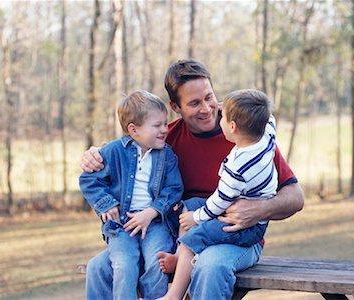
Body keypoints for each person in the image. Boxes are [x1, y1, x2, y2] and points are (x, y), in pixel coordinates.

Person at [81, 59, 304, 299]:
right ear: (175, 107)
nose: (207, 109)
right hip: (176, 236)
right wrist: (94, 155)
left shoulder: (248, 136)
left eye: (209, 97)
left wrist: (260, 209)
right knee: (99, 268)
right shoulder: (165, 140)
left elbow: (296, 197)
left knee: (210, 265)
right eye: (195, 103)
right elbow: (126, 151)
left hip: (235, 238)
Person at [162, 89, 278, 300]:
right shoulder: (266, 137)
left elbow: (218, 202)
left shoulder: (238, 169)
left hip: (243, 228)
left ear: (232, 126)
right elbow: (269, 117)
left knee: (192, 237)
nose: (215, 112)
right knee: (190, 204)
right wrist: (239, 108)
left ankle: (173, 296)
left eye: (222, 116)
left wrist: (195, 218)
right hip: (236, 217)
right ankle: (180, 258)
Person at [79, 90, 183, 300]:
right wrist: (106, 204)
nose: (165, 130)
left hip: (155, 223)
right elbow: (88, 180)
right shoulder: (113, 151)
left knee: (157, 261)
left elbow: (173, 189)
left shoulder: (166, 155)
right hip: (121, 224)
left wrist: (152, 211)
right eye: (158, 125)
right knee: (124, 264)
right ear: (133, 130)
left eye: (165, 123)